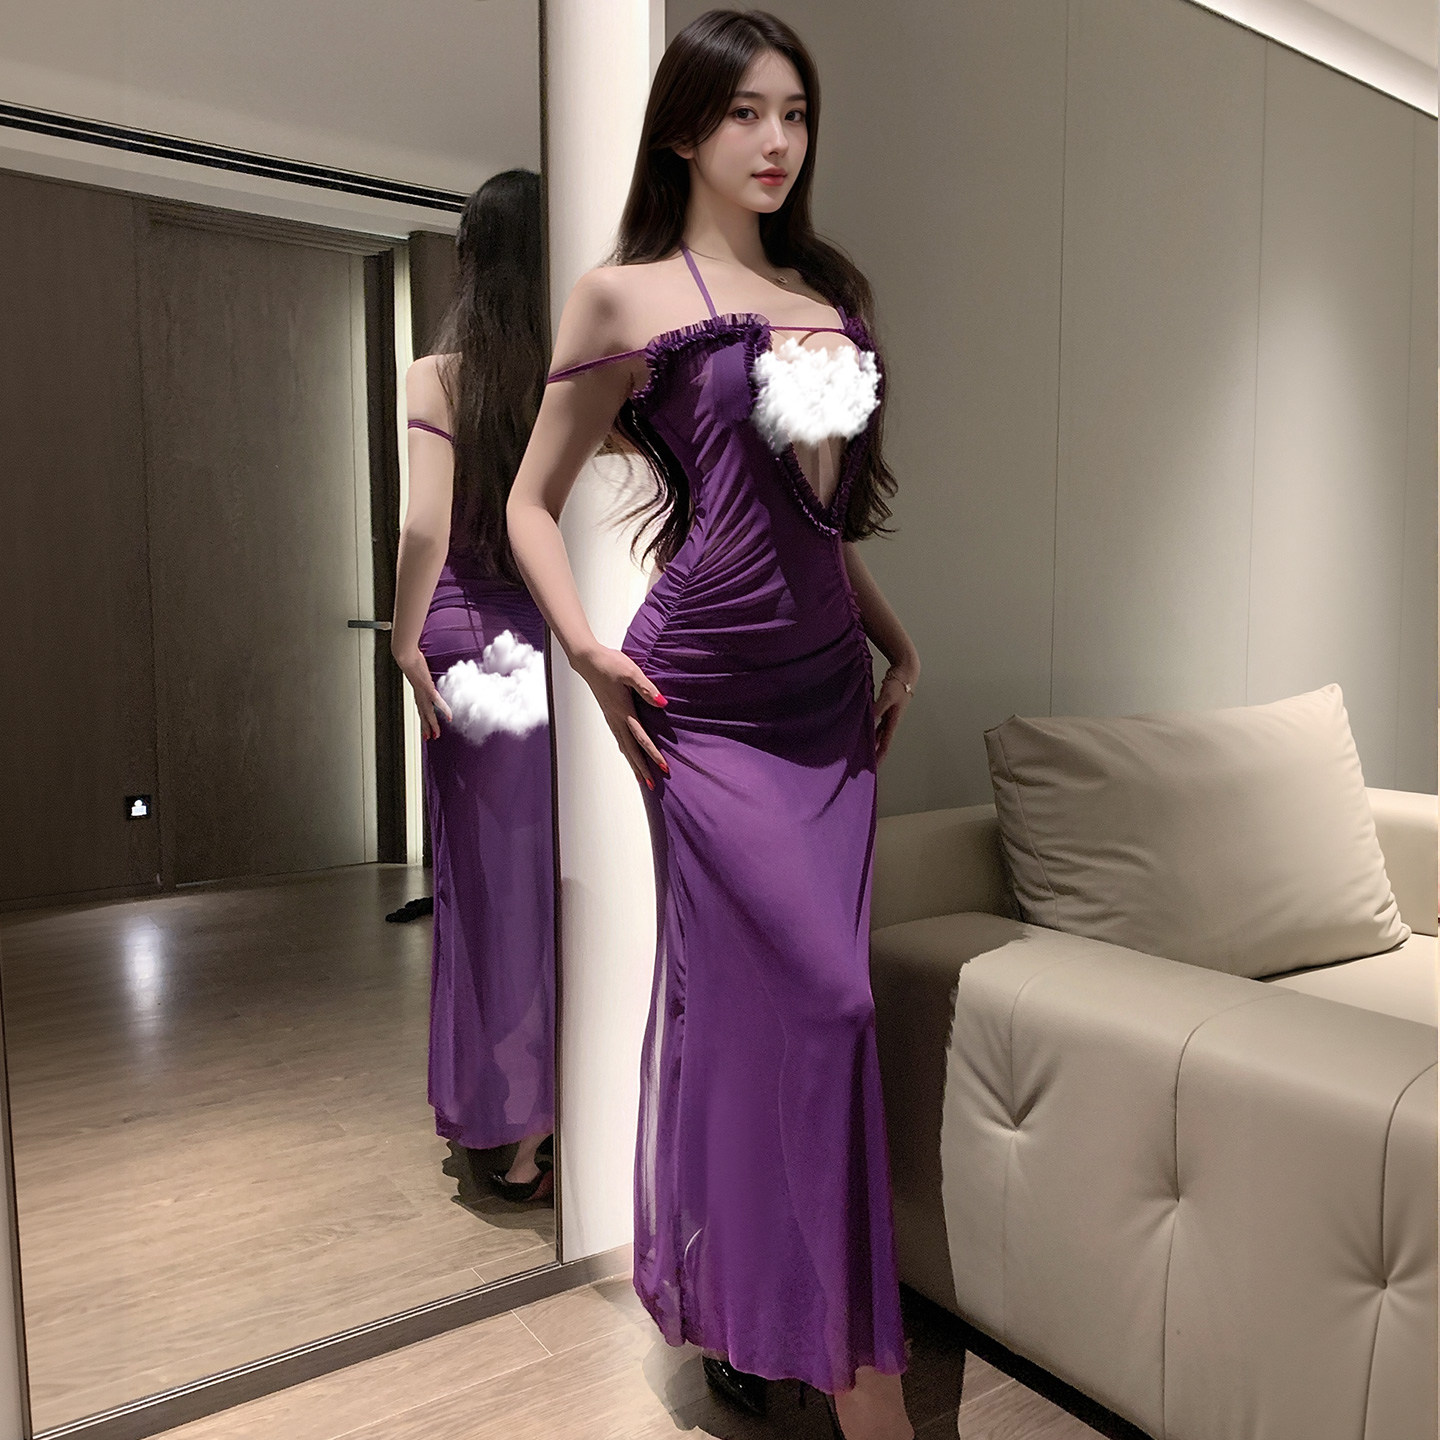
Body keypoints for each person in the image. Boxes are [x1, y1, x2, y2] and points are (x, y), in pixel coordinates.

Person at [507, 11, 920, 1438]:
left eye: (795, 113)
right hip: (707, 703)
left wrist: (894, 638)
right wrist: (586, 650)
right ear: (685, 128)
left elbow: (816, 517)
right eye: (745, 112)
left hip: (827, 699)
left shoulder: (828, 290)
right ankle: (848, 1380)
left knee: (787, 1019)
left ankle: (768, 1317)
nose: (775, 139)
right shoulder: (622, 295)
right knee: (818, 1005)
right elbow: (527, 502)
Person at [392, 169, 556, 1203]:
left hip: (465, 642)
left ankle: (515, 1128)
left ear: (470, 257)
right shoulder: (571, 379)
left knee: (488, 890)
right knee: (550, 882)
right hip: (546, 645)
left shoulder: (438, 376)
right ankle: (558, 1117)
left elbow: (423, 526)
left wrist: (401, 639)